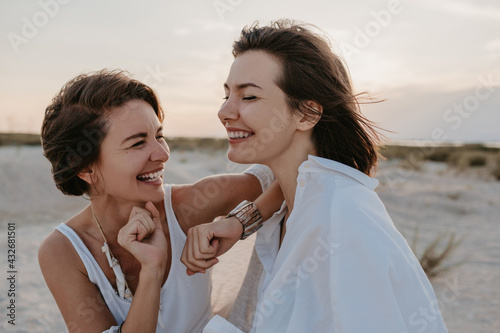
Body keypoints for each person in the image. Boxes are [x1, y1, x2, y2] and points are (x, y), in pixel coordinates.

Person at [181, 20, 449, 332]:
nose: (225, 111)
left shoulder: (345, 222)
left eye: (249, 96)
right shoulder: (292, 208)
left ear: (307, 114)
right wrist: (242, 220)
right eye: (227, 94)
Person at [38, 70, 283, 333]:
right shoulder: (63, 251)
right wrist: (151, 270)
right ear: (85, 168)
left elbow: (285, 175)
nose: (163, 153)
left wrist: (240, 222)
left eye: (159, 135)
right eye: (137, 143)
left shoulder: (192, 204)